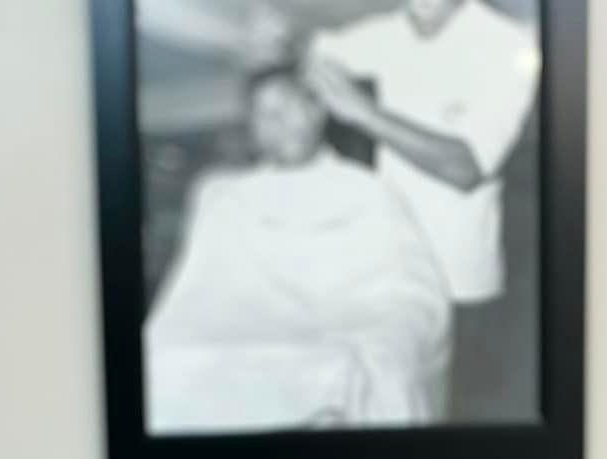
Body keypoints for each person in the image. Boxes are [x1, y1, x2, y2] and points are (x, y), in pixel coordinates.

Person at [145, 67, 451, 432]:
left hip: (349, 321)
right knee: (163, 358)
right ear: (253, 127)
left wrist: (386, 328)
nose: (278, 122)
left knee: (369, 366)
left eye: (287, 107)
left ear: (316, 111)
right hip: (248, 320)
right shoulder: (227, 195)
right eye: (264, 114)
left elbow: (409, 285)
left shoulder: (368, 191)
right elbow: (203, 285)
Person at [307, 0, 541, 416]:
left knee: (462, 413)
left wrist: (365, 114)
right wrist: (300, 58)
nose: (418, 0)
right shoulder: (394, 33)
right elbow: (319, 50)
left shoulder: (508, 45)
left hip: (460, 279)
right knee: (398, 402)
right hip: (395, 266)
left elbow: (467, 168)